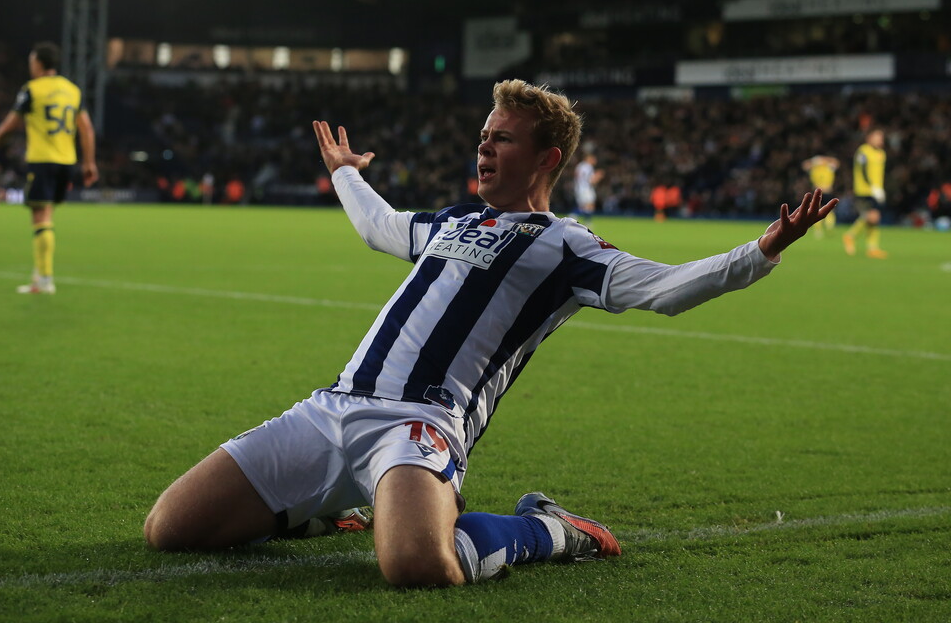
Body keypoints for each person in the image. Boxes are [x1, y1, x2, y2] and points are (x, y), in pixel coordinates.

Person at [143, 80, 836, 587]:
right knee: (169, 529)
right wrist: (347, 177)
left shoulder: (568, 249)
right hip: (332, 409)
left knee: (419, 568)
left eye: (501, 137)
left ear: (547, 157)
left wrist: (764, 248)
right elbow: (379, 227)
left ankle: (551, 531)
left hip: (419, 427)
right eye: (484, 133)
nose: (484, 144)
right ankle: (327, 509)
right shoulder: (451, 221)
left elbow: (667, 289)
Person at [0, 41, 98, 293]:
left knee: (40, 217)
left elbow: (8, 126)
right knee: (47, 216)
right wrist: (90, 162)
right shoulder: (72, 90)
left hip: (42, 160)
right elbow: (87, 129)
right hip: (66, 161)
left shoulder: (32, 89)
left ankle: (44, 279)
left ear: (38, 63)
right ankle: (40, 275)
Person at [842, 127, 887, 259]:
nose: (880, 140)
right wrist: (872, 186)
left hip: (876, 190)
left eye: (881, 137)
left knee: (875, 218)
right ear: (869, 138)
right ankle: (850, 236)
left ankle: (872, 248)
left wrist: (879, 188)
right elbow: (863, 170)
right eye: (877, 137)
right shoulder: (863, 151)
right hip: (863, 190)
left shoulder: (881, 153)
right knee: (871, 216)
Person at [801, 155, 839, 237]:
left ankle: (829, 228)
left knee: (828, 210)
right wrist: (814, 161)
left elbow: (836, 162)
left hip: (826, 191)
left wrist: (824, 159)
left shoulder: (828, 167)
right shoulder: (815, 168)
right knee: (817, 210)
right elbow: (804, 165)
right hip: (818, 192)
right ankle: (819, 230)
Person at [573, 147, 603, 223]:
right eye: (593, 158)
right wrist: (598, 176)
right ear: (588, 158)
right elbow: (591, 181)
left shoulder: (580, 166)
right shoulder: (588, 167)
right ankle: (574, 217)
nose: (595, 160)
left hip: (579, 187)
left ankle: (584, 220)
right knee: (588, 205)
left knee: (586, 205)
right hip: (585, 188)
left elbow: (576, 176)